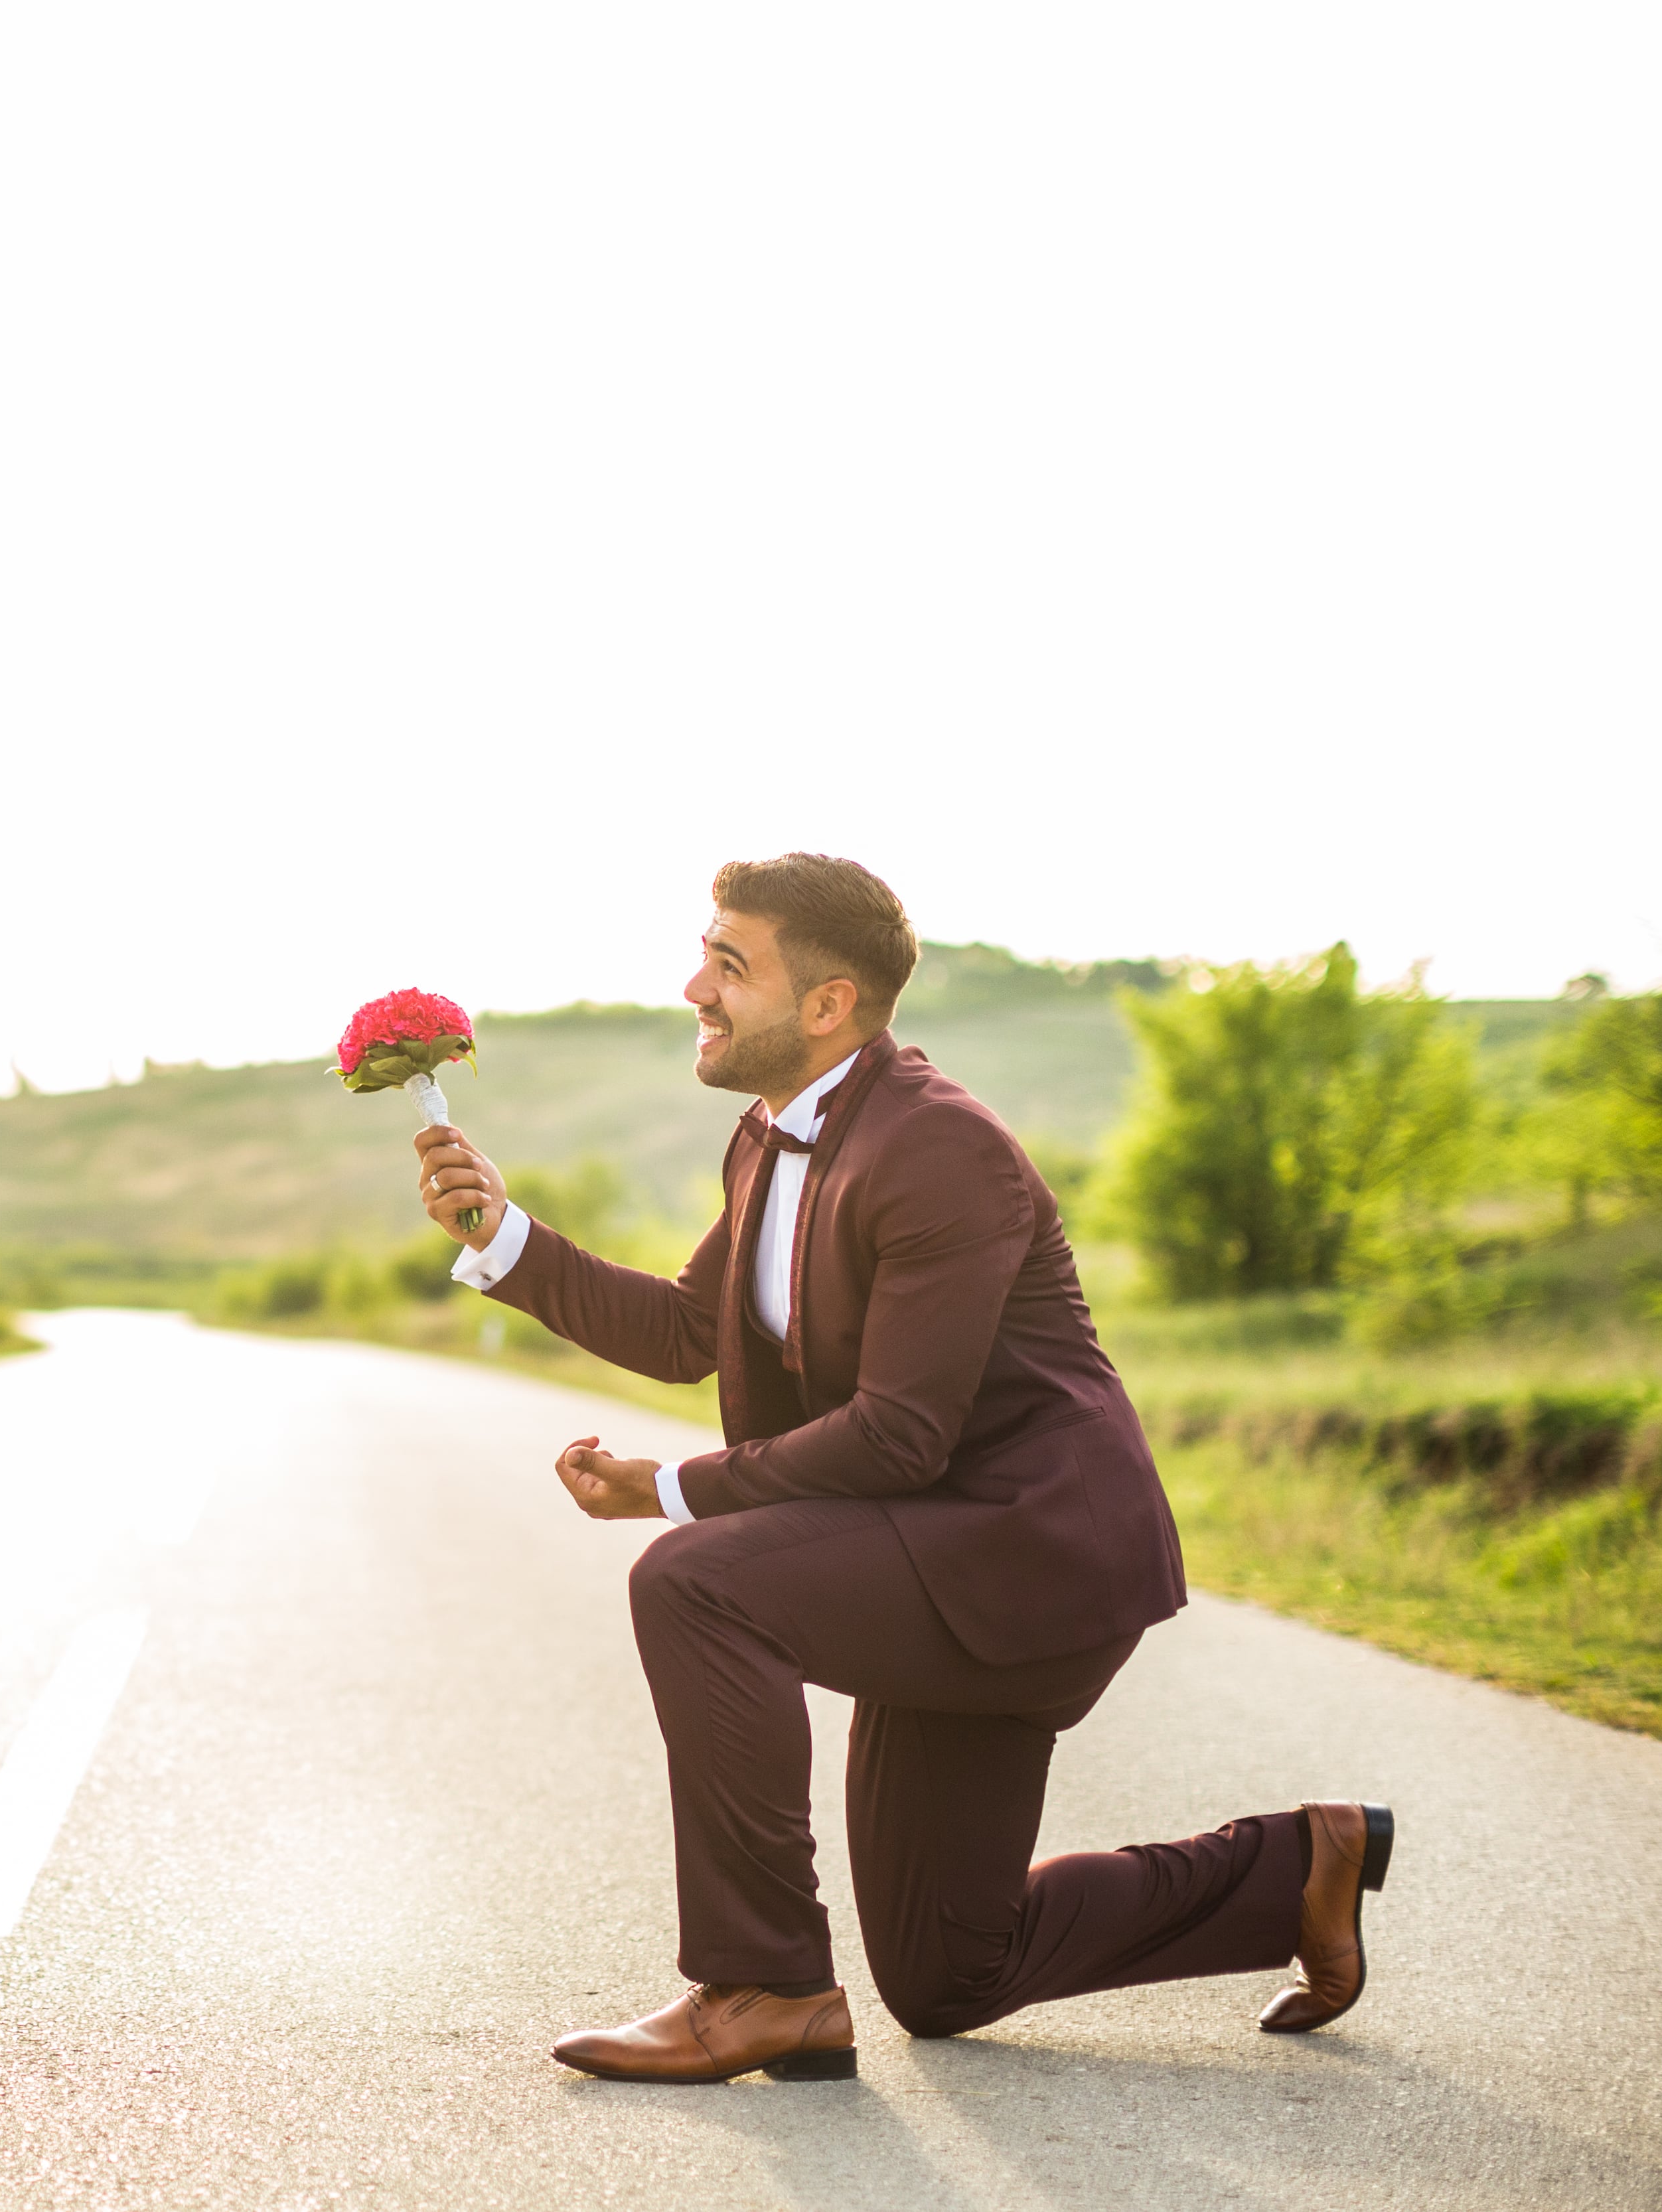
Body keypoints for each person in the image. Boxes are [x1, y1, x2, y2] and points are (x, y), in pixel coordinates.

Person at [413, 853, 1393, 2085]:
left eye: (729, 964)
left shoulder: (939, 1148)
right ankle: (1301, 1870)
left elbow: (898, 1436)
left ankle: (766, 1985)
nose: (694, 989)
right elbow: (684, 1329)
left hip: (1031, 1558)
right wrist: (501, 1235)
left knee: (695, 1579)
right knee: (948, 1973)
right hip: (929, 1553)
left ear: (827, 1004)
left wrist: (672, 1491)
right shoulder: (769, 1138)